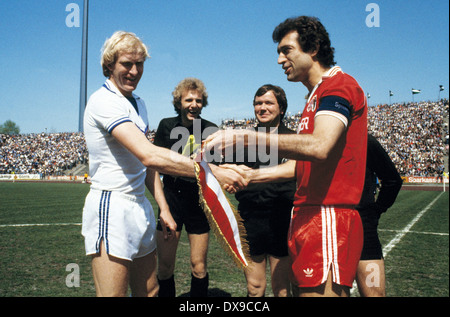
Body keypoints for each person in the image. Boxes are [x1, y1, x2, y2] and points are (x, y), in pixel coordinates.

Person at [206, 16, 368, 297]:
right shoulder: (314, 98)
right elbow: (301, 166)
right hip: (307, 215)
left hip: (327, 214)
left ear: (314, 48)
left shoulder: (338, 86)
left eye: (286, 50)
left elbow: (319, 146)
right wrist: (252, 175)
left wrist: (242, 136)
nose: (280, 60)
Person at [81, 31, 246, 297]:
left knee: (151, 290)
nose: (134, 71)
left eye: (140, 64)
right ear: (109, 64)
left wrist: (163, 209)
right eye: (126, 64)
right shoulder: (104, 101)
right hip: (112, 206)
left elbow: (146, 167)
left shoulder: (138, 103)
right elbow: (149, 155)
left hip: (139, 206)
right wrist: (212, 172)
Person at [153, 78, 217, 297]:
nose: (194, 104)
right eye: (188, 99)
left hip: (199, 203)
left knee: (199, 267)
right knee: (165, 267)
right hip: (171, 201)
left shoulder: (210, 130)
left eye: (198, 100)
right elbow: (155, 164)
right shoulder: (166, 126)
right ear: (178, 102)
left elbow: (215, 169)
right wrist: (163, 208)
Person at [233, 84, 296, 297]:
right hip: (250, 220)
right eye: (258, 103)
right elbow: (231, 175)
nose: (262, 108)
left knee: (282, 290)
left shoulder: (294, 140)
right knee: (254, 288)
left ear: (282, 108)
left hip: (283, 220)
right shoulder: (243, 141)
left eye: (269, 103)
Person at [355, 134, 402, 297]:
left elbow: (393, 180)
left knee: (374, 294)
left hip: (363, 228)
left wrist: (377, 209)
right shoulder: (320, 138)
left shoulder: (365, 141)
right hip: (330, 228)